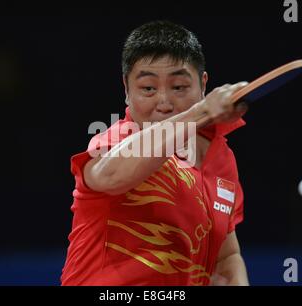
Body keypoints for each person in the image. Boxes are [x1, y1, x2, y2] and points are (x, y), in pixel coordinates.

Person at [61, 20, 250, 286]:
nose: (164, 102)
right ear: (127, 89)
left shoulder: (222, 159)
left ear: (203, 84)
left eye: (179, 87)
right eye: (148, 88)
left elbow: (226, 257)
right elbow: (109, 177)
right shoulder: (119, 137)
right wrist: (202, 112)